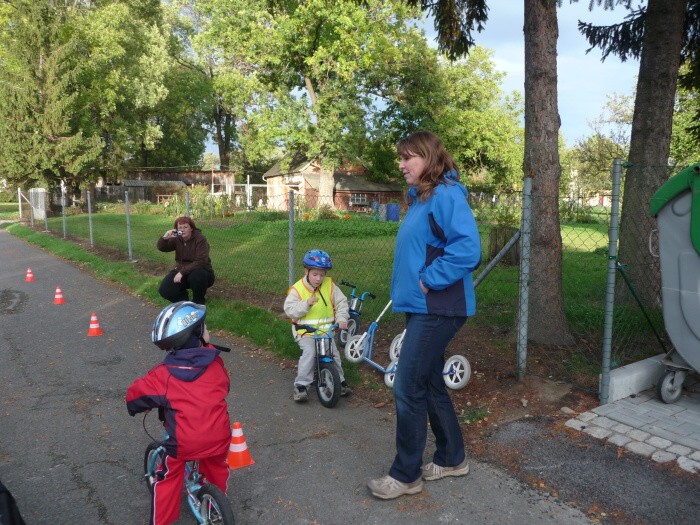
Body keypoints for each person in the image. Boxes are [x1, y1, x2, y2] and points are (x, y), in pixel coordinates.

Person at [367, 131, 481, 500]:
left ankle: (405, 475)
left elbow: (467, 249)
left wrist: (429, 280)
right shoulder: (421, 199)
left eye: (408, 158)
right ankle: (451, 459)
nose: (401, 165)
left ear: (429, 158)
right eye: (401, 158)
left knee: (407, 385)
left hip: (438, 308)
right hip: (422, 307)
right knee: (429, 383)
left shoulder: (446, 194)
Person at [125, 301, 231, 525]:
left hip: (185, 443)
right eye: (205, 327)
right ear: (196, 336)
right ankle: (214, 505)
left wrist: (134, 407)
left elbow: (135, 397)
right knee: (216, 466)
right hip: (219, 435)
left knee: (167, 478)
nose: (209, 331)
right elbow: (224, 387)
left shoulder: (162, 375)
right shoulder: (216, 364)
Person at [284, 249, 353, 402]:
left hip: (325, 331)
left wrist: (341, 318)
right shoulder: (297, 289)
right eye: (315, 274)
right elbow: (290, 311)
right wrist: (306, 304)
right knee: (310, 353)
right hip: (305, 331)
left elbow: (341, 303)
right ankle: (301, 386)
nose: (319, 278)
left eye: (322, 274)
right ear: (306, 271)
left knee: (333, 354)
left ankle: (339, 381)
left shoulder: (330, 285)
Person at [157, 216, 215, 305]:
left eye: (185, 227)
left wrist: (181, 272)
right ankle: (185, 303)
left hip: (202, 273)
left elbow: (201, 261)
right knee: (165, 289)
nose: (182, 230)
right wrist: (165, 238)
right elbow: (162, 248)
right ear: (176, 230)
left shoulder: (200, 239)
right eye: (180, 228)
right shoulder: (177, 238)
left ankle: (199, 302)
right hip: (183, 271)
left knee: (197, 275)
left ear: (191, 228)